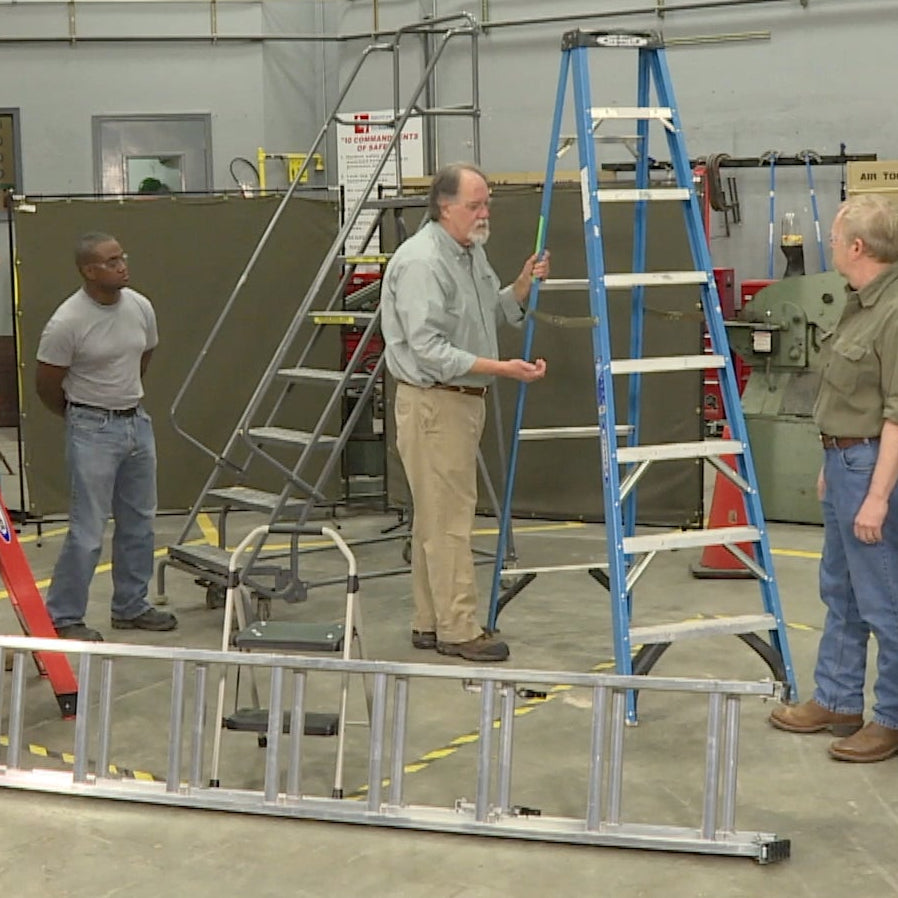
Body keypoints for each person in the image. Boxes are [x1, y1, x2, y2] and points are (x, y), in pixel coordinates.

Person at [380, 162, 549, 663]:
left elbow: (485, 313)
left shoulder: (468, 253)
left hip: (457, 401)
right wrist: (501, 367)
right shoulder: (422, 263)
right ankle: (458, 629)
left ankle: (430, 621)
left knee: (435, 518)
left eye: (486, 203)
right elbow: (428, 347)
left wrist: (520, 286)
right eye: (475, 205)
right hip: (436, 402)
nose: (484, 212)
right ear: (444, 206)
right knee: (450, 521)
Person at [769, 193, 898, 762]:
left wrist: (876, 496)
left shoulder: (893, 312)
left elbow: (897, 413)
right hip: (844, 461)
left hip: (871, 466)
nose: (828, 244)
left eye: (836, 234)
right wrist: (832, 464)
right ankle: (838, 699)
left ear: (857, 247)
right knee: (840, 591)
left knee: (884, 599)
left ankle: (890, 716)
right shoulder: (859, 302)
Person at [36, 232, 177, 641]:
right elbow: (47, 384)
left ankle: (130, 606)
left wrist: (124, 402)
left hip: (136, 422)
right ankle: (64, 617)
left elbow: (143, 354)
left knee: (140, 522)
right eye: (112, 260)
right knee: (88, 529)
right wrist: (83, 414)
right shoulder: (67, 322)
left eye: (122, 256)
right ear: (89, 270)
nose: (122, 265)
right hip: (91, 428)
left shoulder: (140, 307)